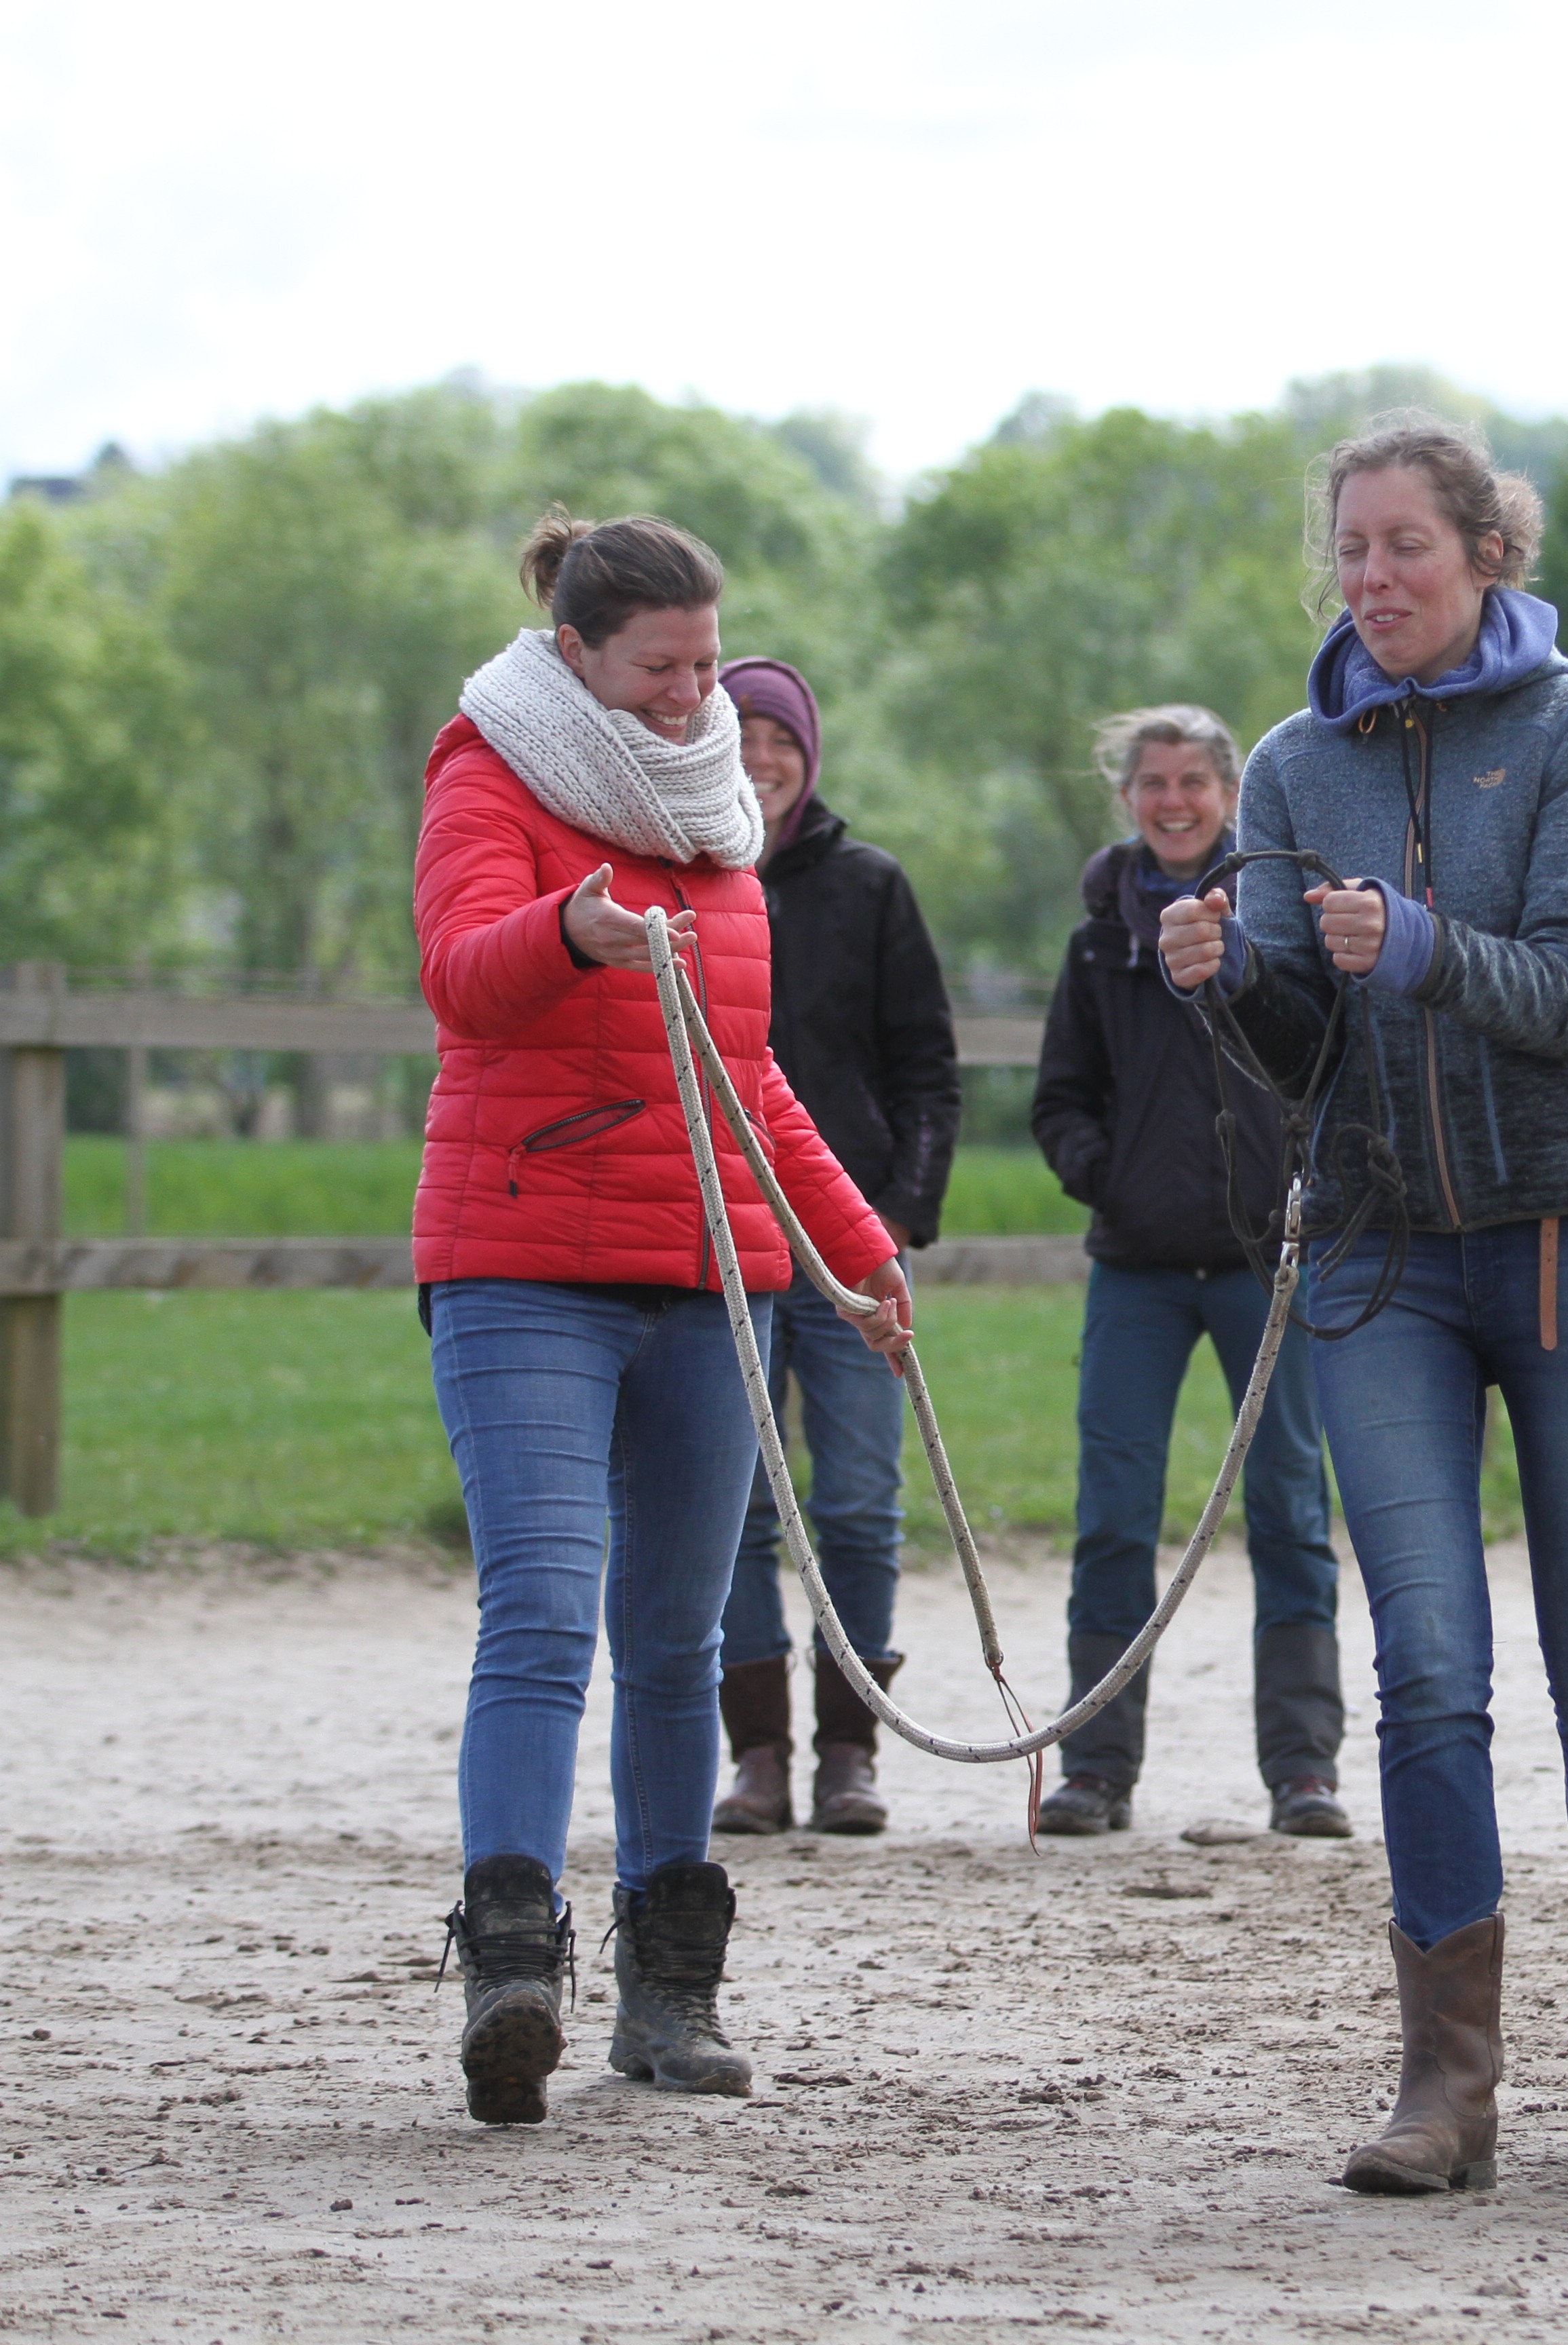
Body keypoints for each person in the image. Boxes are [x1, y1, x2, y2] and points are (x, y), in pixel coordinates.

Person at [1160, 413, 1568, 2192]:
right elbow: (1303, 1046)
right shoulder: (1294, 764)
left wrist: (1425, 944)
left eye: (1407, 547)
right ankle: (1446, 2082)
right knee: (1430, 1669)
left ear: (1485, 555)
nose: (1372, 578)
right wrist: (1229, 974)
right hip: (1381, 1256)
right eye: (1353, 550)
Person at [417, 510, 911, 2127]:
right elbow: (460, 976)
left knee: (683, 1637)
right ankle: (509, 1960)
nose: (700, 698)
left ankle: (669, 1987)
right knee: (548, 1609)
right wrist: (572, 929)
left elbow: (750, 1065)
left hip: (716, 1275)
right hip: (522, 1261)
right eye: (663, 668)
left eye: (711, 662)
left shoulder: (712, 817)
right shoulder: (493, 771)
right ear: (578, 657)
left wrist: (853, 1248)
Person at [1029, 704, 1345, 1842]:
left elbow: (1328, 1053)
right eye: (1153, 783)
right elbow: (1060, 1097)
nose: (1173, 802)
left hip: (1272, 1266)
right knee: (1114, 1517)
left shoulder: (1277, 913)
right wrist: (1108, 1177)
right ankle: (1096, 1766)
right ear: (1129, 797)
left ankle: (1304, 1769)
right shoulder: (1098, 942)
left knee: (1290, 1513)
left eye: (1194, 783)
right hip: (1139, 1270)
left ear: (1228, 794)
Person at [708, 655, 961, 1839]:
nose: (762, 761)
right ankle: (757, 1750)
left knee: (857, 1500)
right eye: (742, 735)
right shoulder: (677, 881)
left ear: (809, 756)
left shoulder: (869, 886)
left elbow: (925, 1066)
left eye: (782, 742)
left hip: (846, 1234)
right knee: (741, 1504)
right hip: (718, 1240)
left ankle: (850, 1747)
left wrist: (899, 1212)